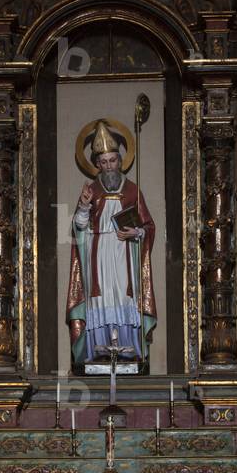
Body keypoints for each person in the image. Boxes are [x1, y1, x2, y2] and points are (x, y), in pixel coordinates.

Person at [66, 121, 157, 366]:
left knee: (123, 298)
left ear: (120, 161)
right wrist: (84, 205)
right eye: (103, 162)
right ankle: (99, 352)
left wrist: (136, 233)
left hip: (125, 255)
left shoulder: (133, 191)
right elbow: (79, 227)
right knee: (102, 298)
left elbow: (149, 227)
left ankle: (129, 352)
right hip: (98, 255)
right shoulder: (91, 191)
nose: (109, 166)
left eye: (113, 161)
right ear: (97, 165)